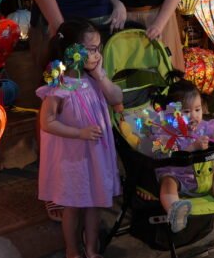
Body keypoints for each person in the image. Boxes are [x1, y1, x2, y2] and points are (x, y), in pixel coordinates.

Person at [37, 19, 124, 258]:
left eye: (99, 48)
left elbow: (117, 98)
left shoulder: (94, 79)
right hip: (74, 159)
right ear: (72, 51)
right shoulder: (61, 84)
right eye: (91, 49)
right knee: (73, 206)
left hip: (96, 156)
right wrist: (80, 133)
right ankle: (72, 250)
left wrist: (100, 75)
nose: (97, 54)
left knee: (95, 204)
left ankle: (92, 249)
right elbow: (47, 122)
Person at [155, 73, 214, 234]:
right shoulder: (166, 132)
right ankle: (176, 211)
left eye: (197, 109)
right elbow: (167, 154)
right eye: (186, 111)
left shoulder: (203, 127)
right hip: (177, 174)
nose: (194, 115)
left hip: (203, 174)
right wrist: (192, 147)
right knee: (167, 182)